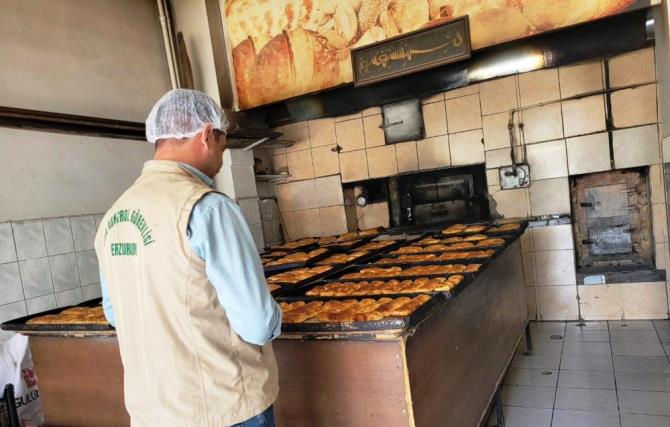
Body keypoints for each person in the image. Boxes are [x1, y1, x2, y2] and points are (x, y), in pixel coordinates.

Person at [94, 89, 281, 427]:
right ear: (207, 135)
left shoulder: (113, 218)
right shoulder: (207, 208)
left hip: (152, 413)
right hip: (223, 409)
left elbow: (114, 313)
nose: (221, 160)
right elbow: (257, 324)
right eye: (223, 148)